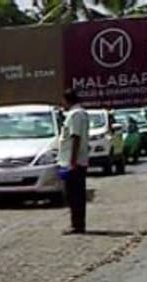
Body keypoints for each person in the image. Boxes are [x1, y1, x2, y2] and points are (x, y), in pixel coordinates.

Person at [58, 88, 89, 235]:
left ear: (67, 100)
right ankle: (77, 223)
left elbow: (75, 137)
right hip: (76, 160)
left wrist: (72, 161)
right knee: (76, 194)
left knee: (74, 195)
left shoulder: (75, 115)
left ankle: (77, 225)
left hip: (74, 162)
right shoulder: (80, 113)